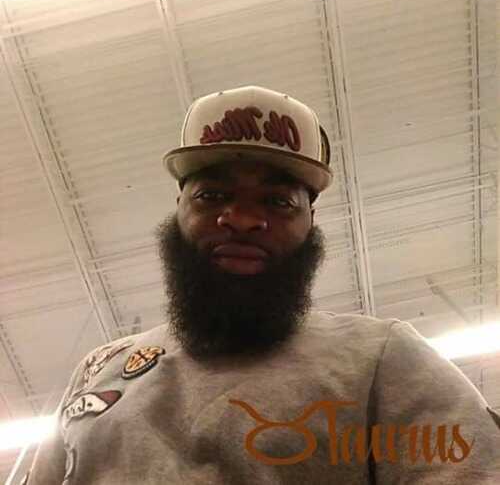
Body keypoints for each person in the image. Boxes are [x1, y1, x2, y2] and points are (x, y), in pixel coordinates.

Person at [25, 86, 499, 484]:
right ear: (179, 208)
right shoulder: (101, 369)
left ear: (311, 222)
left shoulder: (381, 355)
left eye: (277, 202)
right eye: (213, 195)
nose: (242, 219)